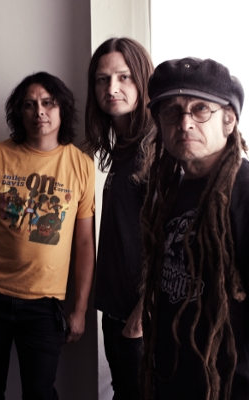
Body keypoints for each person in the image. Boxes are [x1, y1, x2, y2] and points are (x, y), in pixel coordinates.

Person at [0, 71, 95, 400]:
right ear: (19, 112)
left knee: (40, 393)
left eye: (48, 103)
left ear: (62, 109)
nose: (39, 111)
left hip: (45, 304)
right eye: (29, 104)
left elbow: (85, 243)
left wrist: (80, 309)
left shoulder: (81, 165)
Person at [141, 57, 249, 400]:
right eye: (171, 111)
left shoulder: (244, 191)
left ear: (228, 121)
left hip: (231, 385)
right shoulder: (168, 190)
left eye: (200, 109)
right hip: (173, 378)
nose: (185, 122)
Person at [83, 37, 155, 399]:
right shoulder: (123, 148)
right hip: (115, 310)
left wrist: (140, 317)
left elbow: (177, 240)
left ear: (142, 81)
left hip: (141, 320)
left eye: (124, 77)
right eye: (102, 79)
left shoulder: (157, 147)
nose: (112, 88)